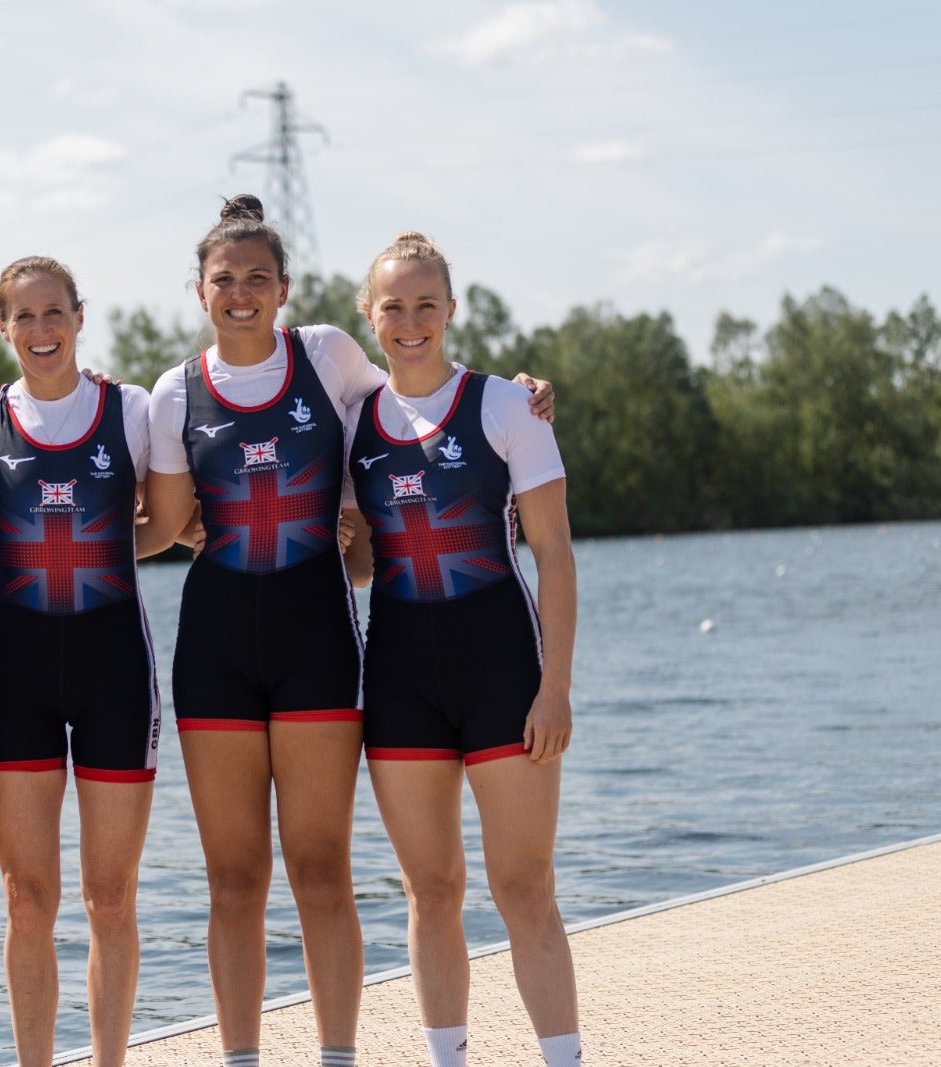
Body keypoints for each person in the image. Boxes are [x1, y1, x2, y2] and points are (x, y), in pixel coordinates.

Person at [134, 196, 553, 1067]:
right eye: (225, 280)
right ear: (199, 290)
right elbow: (168, 519)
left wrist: (522, 394)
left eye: (258, 278)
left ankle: (337, 1057)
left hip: (320, 645)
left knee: (322, 872)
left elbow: (426, 396)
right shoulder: (174, 390)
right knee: (233, 879)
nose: (242, 293)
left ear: (284, 288)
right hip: (214, 653)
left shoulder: (327, 355)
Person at [340, 231, 581, 1067]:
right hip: (402, 682)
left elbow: (553, 551)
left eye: (425, 304)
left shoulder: (507, 406)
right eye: (393, 306)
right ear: (369, 315)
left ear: (451, 310)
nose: (410, 321)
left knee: (524, 890)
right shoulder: (352, 424)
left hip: (505, 677)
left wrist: (555, 686)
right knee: (431, 892)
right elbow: (367, 564)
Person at [0, 256, 159, 1067]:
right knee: (28, 901)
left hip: (115, 680)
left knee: (109, 897)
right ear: (3, 328)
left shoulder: (132, 411)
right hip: (20, 684)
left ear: (79, 315)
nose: (40, 330)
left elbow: (172, 520)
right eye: (22, 317)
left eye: (53, 313)